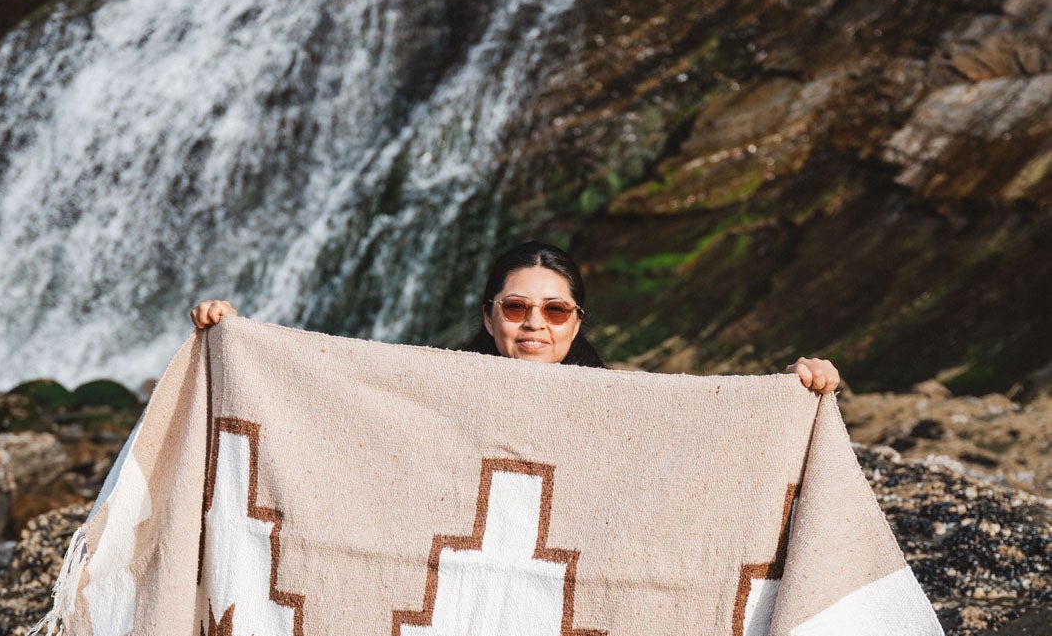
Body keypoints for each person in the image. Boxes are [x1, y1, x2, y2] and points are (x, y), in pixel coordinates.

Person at [189, 239, 839, 393]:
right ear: (489, 315)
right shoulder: (435, 385)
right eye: (517, 307)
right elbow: (336, 393)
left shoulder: (621, 405)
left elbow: (704, 446)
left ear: (577, 322)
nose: (535, 323)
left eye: (555, 310)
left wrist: (788, 392)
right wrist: (237, 341)